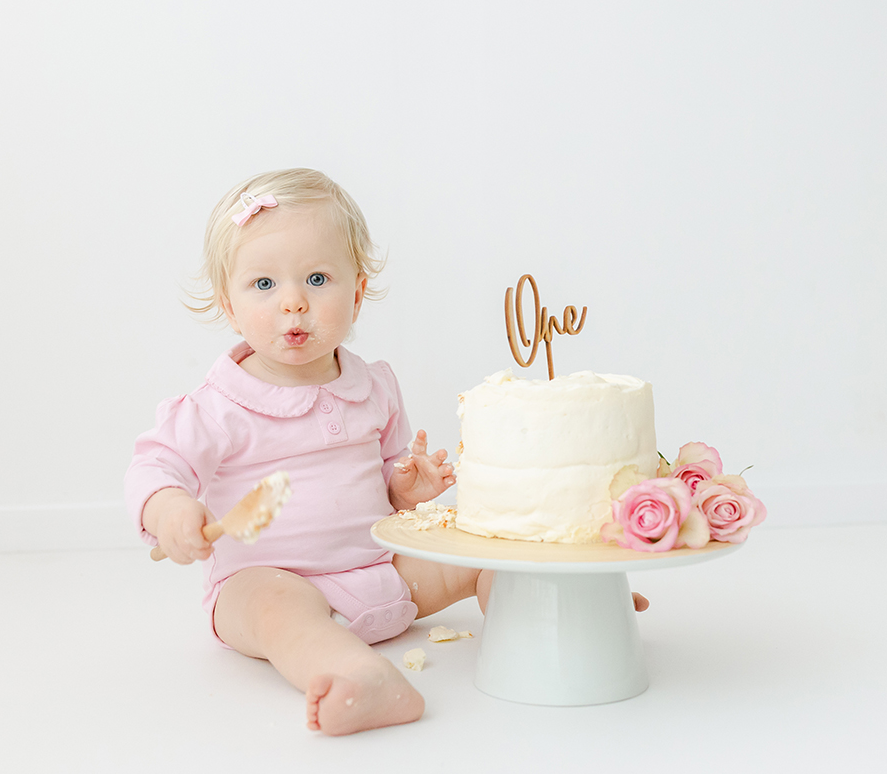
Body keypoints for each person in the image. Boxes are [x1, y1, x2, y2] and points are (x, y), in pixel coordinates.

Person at [126, 168, 647, 736]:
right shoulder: (218, 405)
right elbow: (157, 465)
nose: (294, 303)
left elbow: (383, 472)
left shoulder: (372, 385)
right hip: (268, 579)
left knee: (486, 552)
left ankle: (560, 620)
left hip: (383, 572)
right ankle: (358, 676)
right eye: (265, 285)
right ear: (228, 303)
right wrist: (169, 510)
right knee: (279, 612)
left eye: (317, 278)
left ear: (356, 291)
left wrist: (403, 487)